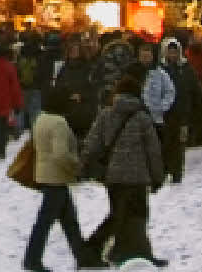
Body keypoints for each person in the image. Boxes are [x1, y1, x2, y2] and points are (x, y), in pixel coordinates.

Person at [81, 74, 165, 268]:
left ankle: (109, 250)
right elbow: (153, 151)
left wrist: (84, 164)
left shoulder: (105, 115)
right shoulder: (143, 117)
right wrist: (157, 176)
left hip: (114, 176)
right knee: (138, 216)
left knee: (117, 214)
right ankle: (139, 254)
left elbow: (92, 144)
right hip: (137, 177)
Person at [20, 92, 96, 271]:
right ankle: (32, 259)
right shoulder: (59, 123)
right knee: (45, 222)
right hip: (56, 177)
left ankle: (83, 257)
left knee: (69, 220)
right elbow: (61, 154)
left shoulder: (41, 118)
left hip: (45, 175)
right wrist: (76, 167)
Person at [139, 40, 191, 184]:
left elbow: (177, 91)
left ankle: (174, 172)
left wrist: (163, 106)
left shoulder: (181, 69)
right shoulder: (145, 71)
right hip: (149, 116)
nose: (172, 54)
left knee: (174, 145)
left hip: (173, 114)